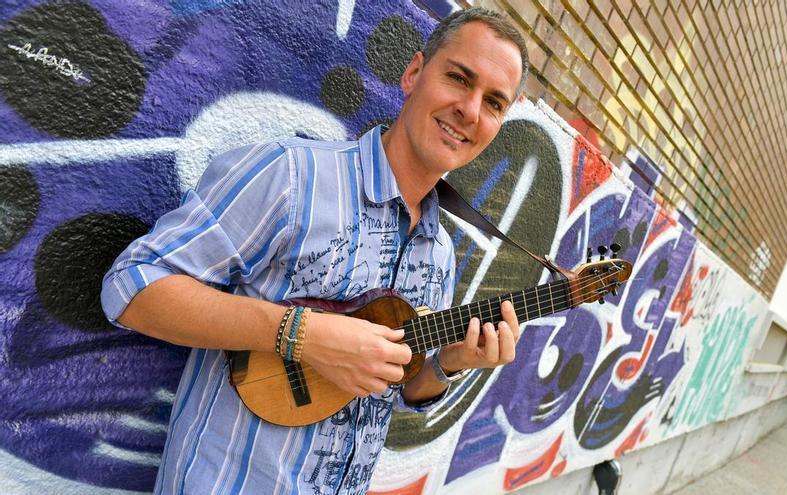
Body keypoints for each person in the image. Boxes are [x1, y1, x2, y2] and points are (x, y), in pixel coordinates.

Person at [101, 7, 530, 494]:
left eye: (494, 103)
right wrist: (301, 334)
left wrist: (448, 363)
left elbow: (402, 386)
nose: (470, 111)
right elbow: (130, 287)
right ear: (414, 73)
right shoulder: (290, 175)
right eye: (458, 78)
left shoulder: (441, 256)